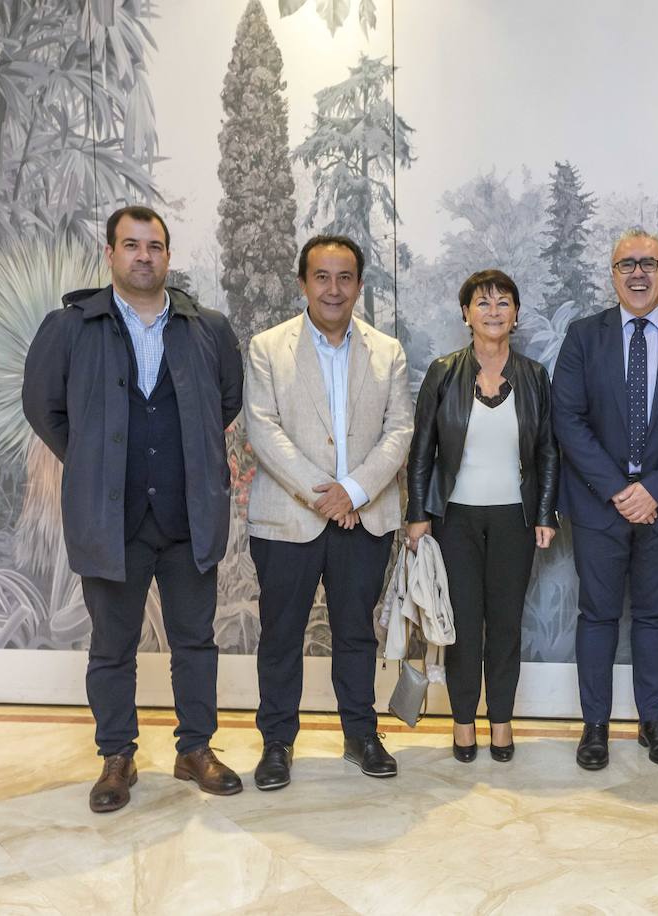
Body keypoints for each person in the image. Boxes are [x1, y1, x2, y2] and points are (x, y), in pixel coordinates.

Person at [22, 205, 244, 812]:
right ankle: (117, 756)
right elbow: (44, 407)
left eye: (154, 246)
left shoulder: (209, 329)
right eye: (131, 245)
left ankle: (195, 748)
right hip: (109, 519)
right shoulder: (70, 328)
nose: (143, 256)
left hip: (187, 517)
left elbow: (224, 402)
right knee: (112, 646)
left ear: (168, 256)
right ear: (110, 254)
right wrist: (94, 461)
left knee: (195, 641)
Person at [243, 234, 412, 790]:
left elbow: (399, 431)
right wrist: (325, 494)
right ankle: (276, 744)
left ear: (359, 285)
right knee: (281, 634)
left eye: (345, 278)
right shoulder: (268, 348)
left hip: (363, 518)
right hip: (290, 519)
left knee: (356, 634)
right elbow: (263, 431)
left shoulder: (388, 351)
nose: (333, 289)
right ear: (303, 283)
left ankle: (361, 735)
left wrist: (355, 491)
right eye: (322, 277)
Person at [551, 228, 658, 770]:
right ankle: (594, 728)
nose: (639, 273)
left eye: (649, 263)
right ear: (613, 275)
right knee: (596, 616)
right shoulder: (582, 336)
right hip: (600, 505)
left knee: (653, 616)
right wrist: (622, 491)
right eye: (627, 264)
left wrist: (654, 490)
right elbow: (568, 420)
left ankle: (653, 724)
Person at [404, 269, 559, 763]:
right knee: (464, 624)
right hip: (456, 520)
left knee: (506, 624)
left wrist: (544, 511)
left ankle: (502, 722)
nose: (493, 311)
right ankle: (464, 721)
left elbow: (548, 452)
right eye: (483, 302)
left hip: (514, 519)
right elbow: (422, 449)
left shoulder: (534, 376)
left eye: (503, 303)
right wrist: (417, 513)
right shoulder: (444, 372)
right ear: (466, 313)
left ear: (516, 315)